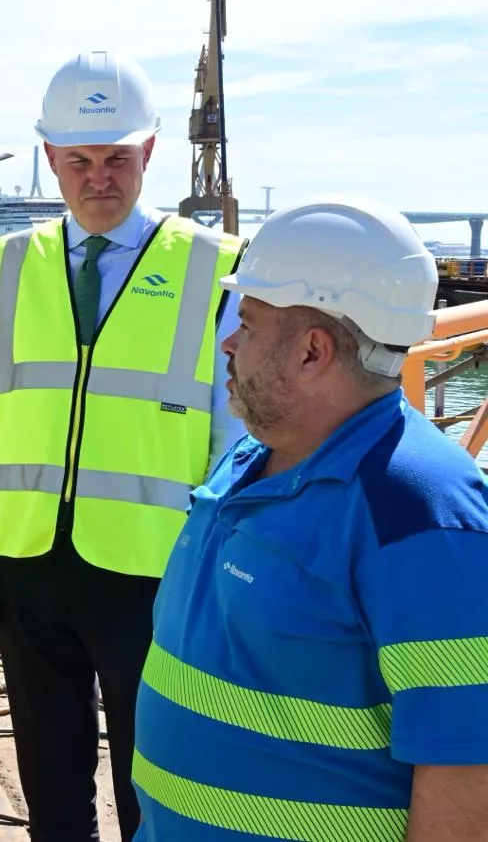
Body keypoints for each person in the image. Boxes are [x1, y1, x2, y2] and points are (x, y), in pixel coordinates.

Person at [0, 50, 248, 841]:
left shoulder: (213, 267)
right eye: (78, 161)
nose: (98, 179)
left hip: (154, 569)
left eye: (117, 158)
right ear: (50, 158)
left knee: (155, 781)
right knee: (50, 779)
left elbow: (235, 436)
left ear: (149, 152)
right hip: (26, 562)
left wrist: (214, 568)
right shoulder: (11, 264)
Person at [132, 195, 488, 840]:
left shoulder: (420, 513)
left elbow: (468, 770)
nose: (228, 343)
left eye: (247, 323)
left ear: (312, 351)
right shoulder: (253, 452)